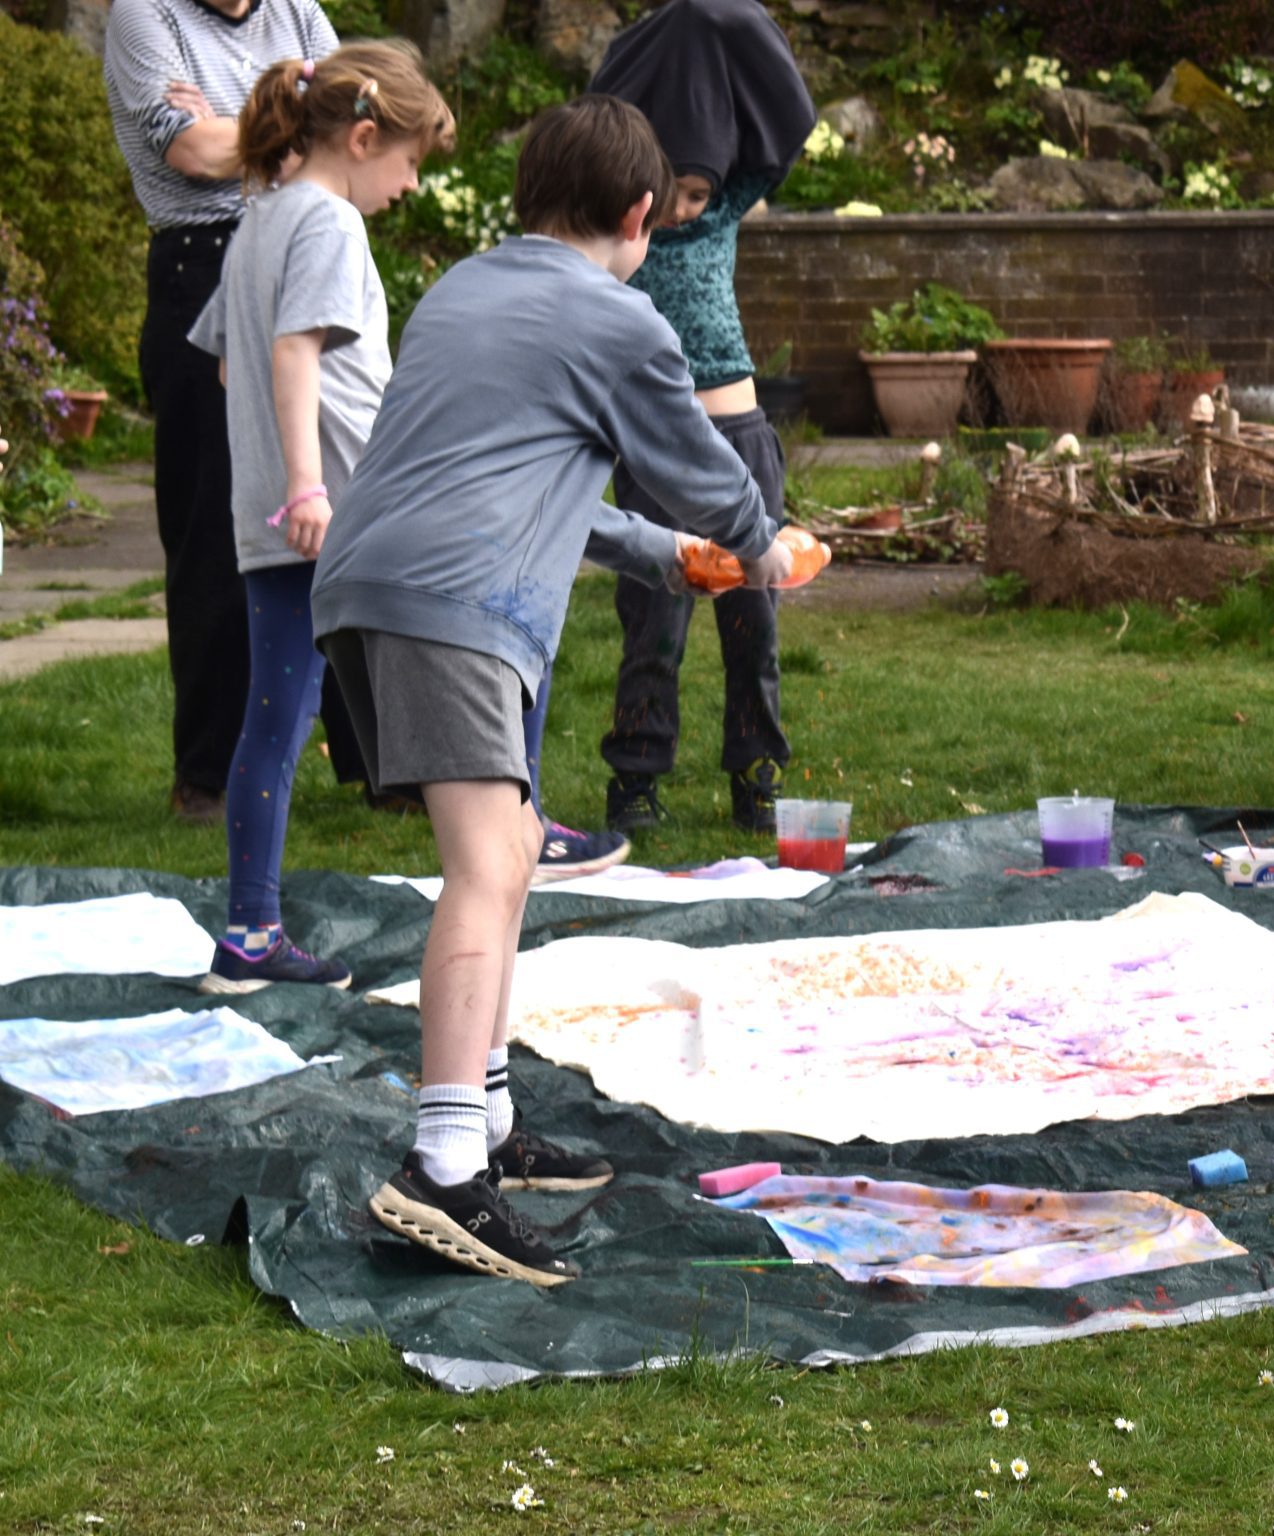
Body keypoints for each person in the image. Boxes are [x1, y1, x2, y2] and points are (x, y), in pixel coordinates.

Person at [311, 96, 789, 1284]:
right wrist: (758, 548)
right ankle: (441, 1173)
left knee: (514, 841)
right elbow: (700, 467)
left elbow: (527, 476)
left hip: (367, 589)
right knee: (486, 865)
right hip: (456, 607)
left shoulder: (465, 291)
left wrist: (661, 557)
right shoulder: (618, 319)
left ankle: (486, 1120)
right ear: (640, 215)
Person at [188, 42, 453, 993]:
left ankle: (250, 931)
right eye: (411, 162)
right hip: (330, 514)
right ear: (366, 136)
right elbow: (293, 351)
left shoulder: (259, 219)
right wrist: (309, 484)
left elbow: (229, 363)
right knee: (477, 638)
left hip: (273, 520)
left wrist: (280, 477)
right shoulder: (329, 225)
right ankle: (522, 830)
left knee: (274, 719)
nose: (411, 184)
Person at [102, 0, 381, 822]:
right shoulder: (142, 16)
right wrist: (293, 133)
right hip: (203, 263)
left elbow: (364, 123)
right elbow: (188, 150)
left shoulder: (299, 10)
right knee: (213, 529)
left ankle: (382, 764)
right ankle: (210, 775)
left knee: (350, 511)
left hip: (316, 248)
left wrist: (245, 131)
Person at [583, 0, 817, 835]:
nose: (687, 209)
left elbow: (790, 114)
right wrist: (666, 32)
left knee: (753, 619)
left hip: (742, 437)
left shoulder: (723, 206)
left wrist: (715, 15)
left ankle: (758, 772)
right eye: (673, 193)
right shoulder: (614, 230)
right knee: (655, 622)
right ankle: (637, 775)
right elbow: (598, 116)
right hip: (656, 454)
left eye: (699, 192)